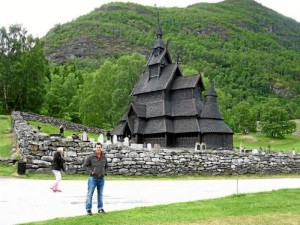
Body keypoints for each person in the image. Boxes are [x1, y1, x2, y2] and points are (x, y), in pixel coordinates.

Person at [83, 142, 108, 215]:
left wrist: (105, 172)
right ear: (95, 148)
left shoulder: (104, 157)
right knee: (90, 194)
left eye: (99, 147)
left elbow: (106, 166)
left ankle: (100, 208)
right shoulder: (91, 157)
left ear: (101, 148)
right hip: (92, 179)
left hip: (101, 179)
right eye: (97, 147)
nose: (98, 148)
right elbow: (85, 165)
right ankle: (88, 209)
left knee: (100, 194)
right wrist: (91, 172)